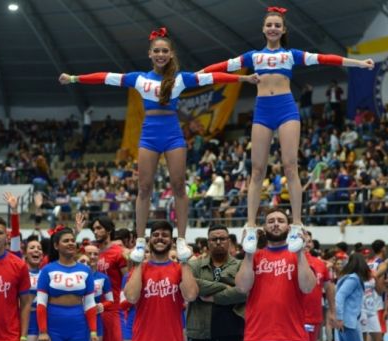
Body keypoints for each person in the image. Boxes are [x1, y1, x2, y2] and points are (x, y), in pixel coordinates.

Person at [59, 27, 260, 263]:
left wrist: (243, 78)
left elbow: (213, 77)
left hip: (173, 134)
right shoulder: (139, 79)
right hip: (149, 135)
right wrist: (74, 78)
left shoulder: (180, 79)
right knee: (144, 188)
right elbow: (105, 77)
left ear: (171, 54)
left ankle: (182, 239)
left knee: (178, 186)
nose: (161, 54)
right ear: (150, 54)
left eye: (165, 51)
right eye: (157, 51)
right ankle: (141, 239)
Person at [199, 6, 373, 253]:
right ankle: (250, 226)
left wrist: (358, 63)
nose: (272, 28)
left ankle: (297, 225)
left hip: (286, 109)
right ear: (263, 29)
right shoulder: (252, 57)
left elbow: (326, 59)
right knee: (257, 169)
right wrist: (196, 74)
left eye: (277, 25)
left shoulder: (291, 55)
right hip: (262, 111)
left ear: (283, 30)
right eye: (269, 25)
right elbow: (222, 66)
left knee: (291, 166)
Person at [235, 207, 316, 341]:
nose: (276, 224)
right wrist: (248, 251)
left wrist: (301, 252)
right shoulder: (255, 256)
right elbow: (242, 287)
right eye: (271, 221)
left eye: (280, 220)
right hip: (258, 337)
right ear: (263, 227)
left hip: (292, 338)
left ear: (289, 227)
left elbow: (308, 287)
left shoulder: (297, 256)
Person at [124, 220, 199, 341]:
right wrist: (137, 262)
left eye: (165, 235)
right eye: (156, 235)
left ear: (172, 242)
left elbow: (191, 295)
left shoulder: (179, 269)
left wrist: (185, 261)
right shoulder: (140, 269)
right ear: (149, 240)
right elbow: (132, 297)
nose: (160, 238)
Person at [185, 224, 248, 341]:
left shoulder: (242, 265)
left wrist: (214, 296)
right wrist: (228, 286)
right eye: (214, 239)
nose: (218, 242)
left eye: (222, 239)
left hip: (234, 337)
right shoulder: (195, 266)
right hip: (200, 338)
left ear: (229, 242)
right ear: (208, 242)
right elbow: (192, 285)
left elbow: (244, 291)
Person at [37, 227, 98, 341]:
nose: (71, 243)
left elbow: (90, 304)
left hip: (78, 328)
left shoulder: (85, 271)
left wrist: (93, 330)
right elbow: (41, 304)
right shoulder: (47, 270)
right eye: (66, 240)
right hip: (53, 328)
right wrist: (43, 330)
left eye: (72, 240)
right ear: (56, 246)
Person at [91, 216, 128, 341]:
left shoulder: (118, 252)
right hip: (95, 309)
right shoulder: (92, 251)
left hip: (115, 308)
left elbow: (127, 280)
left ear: (108, 230)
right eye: (94, 229)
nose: (96, 231)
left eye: (99, 228)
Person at [327, 253, 370, 341]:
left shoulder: (346, 277)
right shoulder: (354, 279)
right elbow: (340, 297)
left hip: (346, 319)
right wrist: (339, 318)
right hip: (347, 321)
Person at [303, 231, 335, 341]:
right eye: (304, 240)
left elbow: (329, 288)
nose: (307, 244)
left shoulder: (320, 264)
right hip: (294, 318)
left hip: (314, 317)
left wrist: (333, 312)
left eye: (309, 241)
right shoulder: (289, 261)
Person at [85, 244, 114, 341]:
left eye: (95, 254)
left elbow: (111, 300)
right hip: (76, 321)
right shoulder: (76, 275)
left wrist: (102, 305)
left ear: (99, 257)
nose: (92, 257)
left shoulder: (103, 278)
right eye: (88, 254)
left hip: (96, 323)